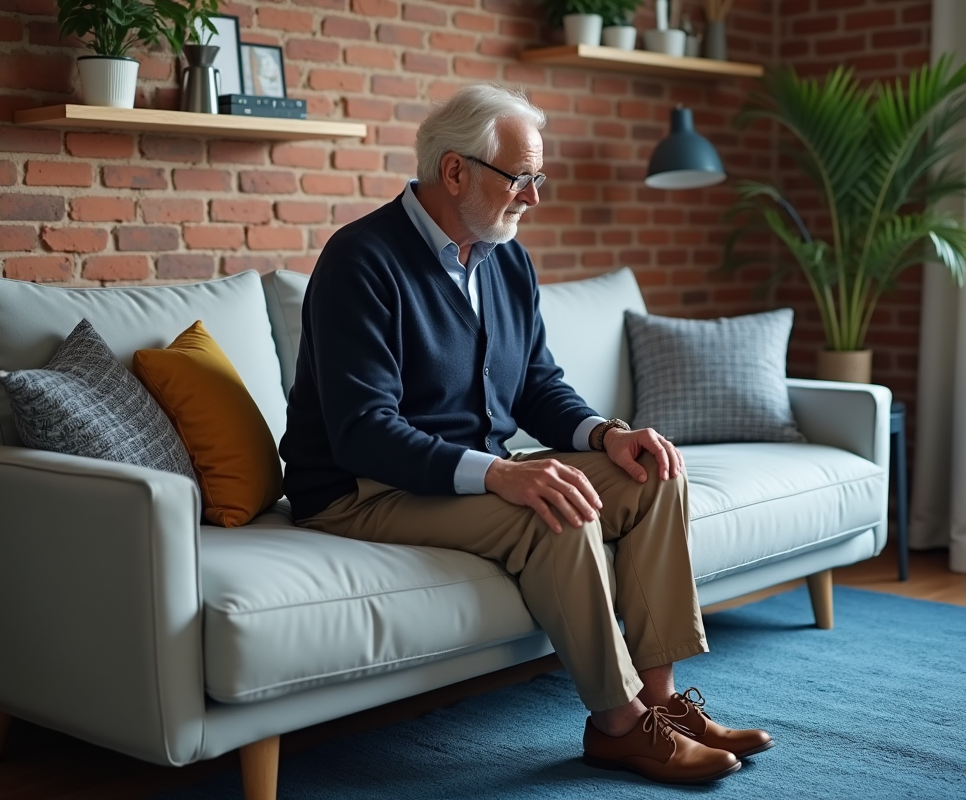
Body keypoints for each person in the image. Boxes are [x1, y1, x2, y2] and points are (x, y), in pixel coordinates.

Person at [279, 84, 772, 785]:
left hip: (466, 475)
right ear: (455, 171)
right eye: (521, 178)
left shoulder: (505, 257)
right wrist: (504, 473)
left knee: (654, 469)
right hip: (361, 489)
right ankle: (618, 726)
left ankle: (660, 705)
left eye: (538, 178)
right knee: (552, 511)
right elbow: (364, 432)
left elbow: (536, 383)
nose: (534, 198)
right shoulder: (362, 261)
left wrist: (606, 436)